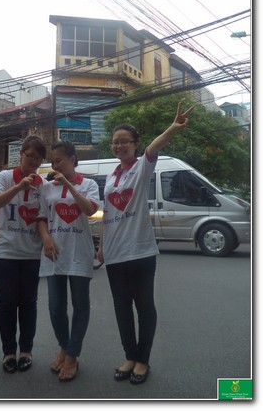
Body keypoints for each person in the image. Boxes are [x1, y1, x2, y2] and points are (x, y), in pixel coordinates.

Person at [98, 101, 195, 385]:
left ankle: (143, 360)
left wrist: (172, 129)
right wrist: (102, 246)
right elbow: (107, 213)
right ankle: (129, 355)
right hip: (115, 254)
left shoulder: (141, 168)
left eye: (124, 142)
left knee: (144, 306)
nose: (119, 146)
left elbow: (154, 148)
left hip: (140, 251)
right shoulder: (111, 176)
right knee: (121, 307)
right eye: (115, 142)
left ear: (135, 145)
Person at [37, 140, 100, 382]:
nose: (55, 166)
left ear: (72, 159)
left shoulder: (90, 184)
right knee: (55, 308)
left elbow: (90, 210)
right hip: (54, 254)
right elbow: (41, 217)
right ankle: (64, 346)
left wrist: (69, 185)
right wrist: (46, 239)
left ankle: (72, 355)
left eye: (59, 161)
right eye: (53, 162)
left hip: (80, 253)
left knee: (80, 306)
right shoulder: (47, 188)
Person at [0, 135, 47, 374]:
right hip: (4, 252)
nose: (32, 160)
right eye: (29, 155)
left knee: (28, 304)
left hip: (31, 254)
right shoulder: (3, 177)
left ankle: (26, 351)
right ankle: (8, 352)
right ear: (21, 154)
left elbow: (42, 217)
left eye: (37, 157)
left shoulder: (42, 184)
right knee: (6, 303)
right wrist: (19, 186)